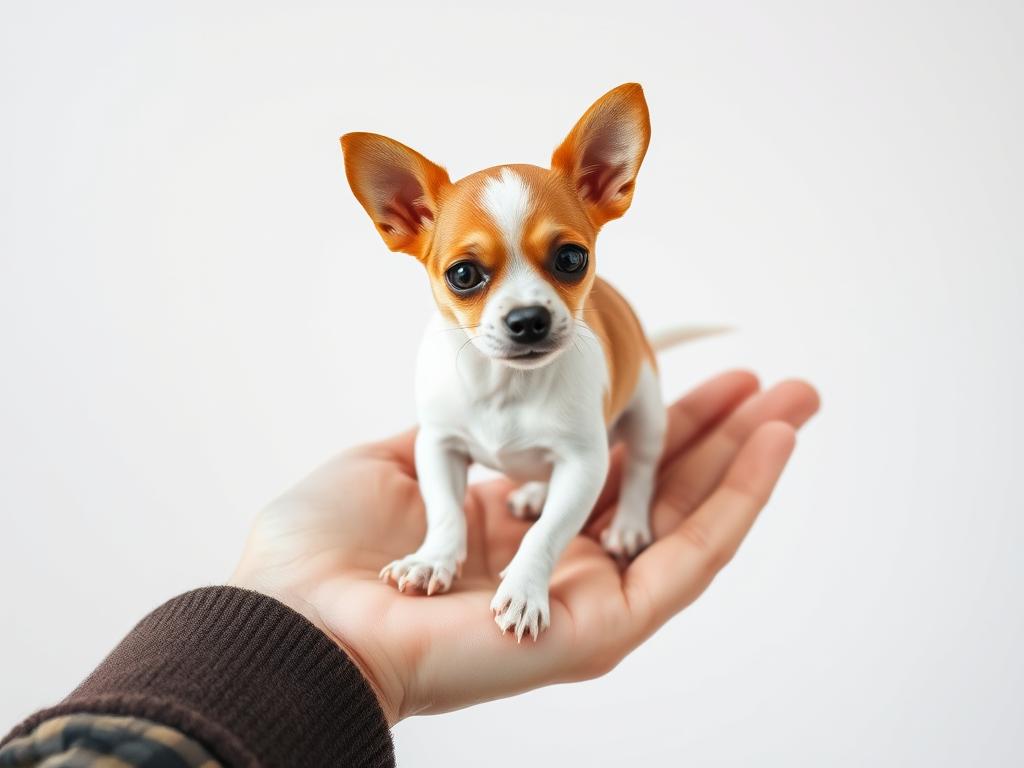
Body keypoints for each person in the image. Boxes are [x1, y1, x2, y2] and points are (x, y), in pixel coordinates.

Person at [0, 371, 818, 767]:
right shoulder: (445, 375)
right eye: (469, 274)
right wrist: (441, 543)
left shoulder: (590, 341)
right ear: (405, 224)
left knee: (621, 433)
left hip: (583, 436)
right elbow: (440, 444)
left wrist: (540, 563)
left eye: (563, 261)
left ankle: (634, 496)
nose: (522, 306)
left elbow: (584, 454)